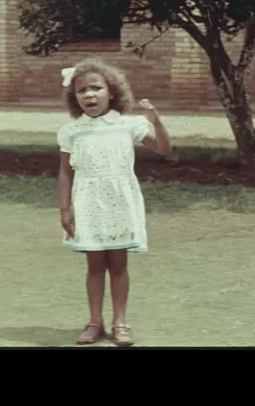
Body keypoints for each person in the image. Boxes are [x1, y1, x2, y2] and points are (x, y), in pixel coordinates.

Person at [57, 58, 172, 347]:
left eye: (96, 88)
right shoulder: (71, 131)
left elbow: (162, 148)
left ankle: (121, 322)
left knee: (118, 264)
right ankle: (95, 322)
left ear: (112, 91)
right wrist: (65, 209)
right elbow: (64, 171)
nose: (89, 95)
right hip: (88, 203)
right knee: (95, 265)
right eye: (82, 90)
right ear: (75, 97)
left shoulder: (128, 124)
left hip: (120, 202)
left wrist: (156, 121)